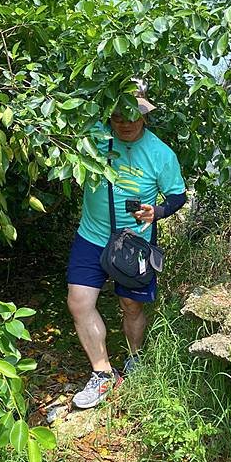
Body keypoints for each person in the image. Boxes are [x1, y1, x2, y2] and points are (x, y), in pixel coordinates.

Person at [67, 81, 186, 409]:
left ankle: (135, 357)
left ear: (145, 115)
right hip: (91, 237)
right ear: (110, 116)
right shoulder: (93, 137)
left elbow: (178, 195)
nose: (126, 123)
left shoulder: (160, 153)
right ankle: (103, 374)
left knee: (131, 306)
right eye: (118, 116)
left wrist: (157, 211)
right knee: (79, 303)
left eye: (133, 116)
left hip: (134, 244)